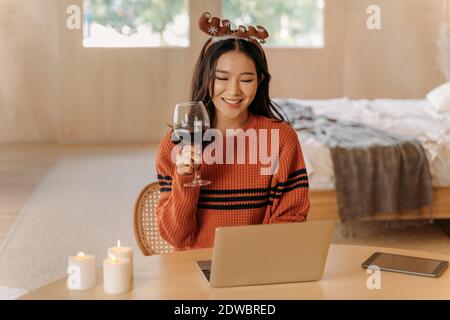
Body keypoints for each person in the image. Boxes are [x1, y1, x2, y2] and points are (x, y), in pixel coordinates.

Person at [155, 12, 310, 250]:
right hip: (195, 269)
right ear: (206, 79)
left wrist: (247, 264)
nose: (234, 91)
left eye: (246, 80)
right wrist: (184, 180)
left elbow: (291, 220)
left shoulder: (281, 139)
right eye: (222, 78)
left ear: (259, 81)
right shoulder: (175, 144)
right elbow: (176, 238)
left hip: (258, 268)